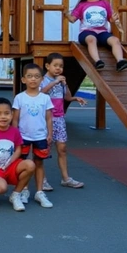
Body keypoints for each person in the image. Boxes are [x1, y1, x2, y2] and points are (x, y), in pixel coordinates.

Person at [0, 97, 36, 211]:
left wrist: (11, 162)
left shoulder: (15, 131)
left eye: (6, 113)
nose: (3, 117)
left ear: (12, 114)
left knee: (30, 165)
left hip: (10, 166)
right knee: (1, 189)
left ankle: (16, 194)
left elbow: (18, 149)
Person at [40, 53, 87, 189]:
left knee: (62, 148)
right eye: (55, 65)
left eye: (61, 66)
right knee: (43, 150)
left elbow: (67, 97)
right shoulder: (43, 80)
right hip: (46, 119)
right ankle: (42, 179)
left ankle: (66, 178)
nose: (58, 68)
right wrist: (54, 82)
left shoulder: (61, 82)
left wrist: (73, 97)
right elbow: (40, 93)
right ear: (48, 66)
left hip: (59, 119)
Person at [65, 0, 127, 72]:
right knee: (92, 39)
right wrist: (66, 14)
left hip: (102, 33)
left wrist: (113, 18)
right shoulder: (82, 5)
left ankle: (120, 61)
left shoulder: (104, 3)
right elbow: (73, 19)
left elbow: (110, 18)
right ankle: (97, 61)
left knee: (115, 40)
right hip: (86, 32)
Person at [12, 63, 54, 208]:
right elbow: (15, 119)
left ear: (42, 79)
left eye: (36, 76)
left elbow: (49, 117)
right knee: (22, 163)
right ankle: (23, 190)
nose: (33, 79)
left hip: (40, 136)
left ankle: (40, 192)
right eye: (29, 76)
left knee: (39, 163)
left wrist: (50, 133)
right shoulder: (19, 98)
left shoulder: (45, 98)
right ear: (23, 79)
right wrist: (14, 135)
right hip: (23, 136)